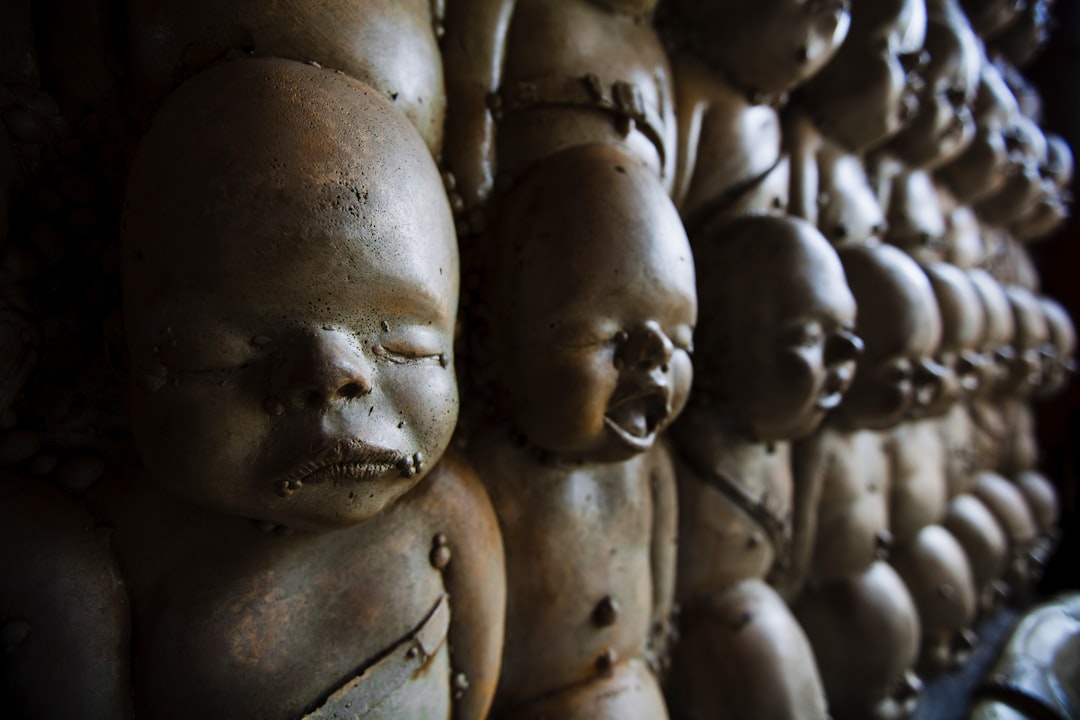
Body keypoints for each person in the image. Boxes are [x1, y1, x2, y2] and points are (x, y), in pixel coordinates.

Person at [93, 57, 504, 719]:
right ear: (125, 357)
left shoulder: (447, 513)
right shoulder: (116, 552)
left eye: (407, 346)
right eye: (235, 349)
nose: (337, 375)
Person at [470, 143, 694, 719]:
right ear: (496, 335)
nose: (658, 358)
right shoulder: (487, 479)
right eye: (613, 340)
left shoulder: (651, 467)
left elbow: (661, 568)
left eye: (681, 339)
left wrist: (658, 632)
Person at [667, 215, 859, 720]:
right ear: (722, 343)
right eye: (810, 336)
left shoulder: (790, 448)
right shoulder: (673, 465)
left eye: (847, 335)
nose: (846, 355)